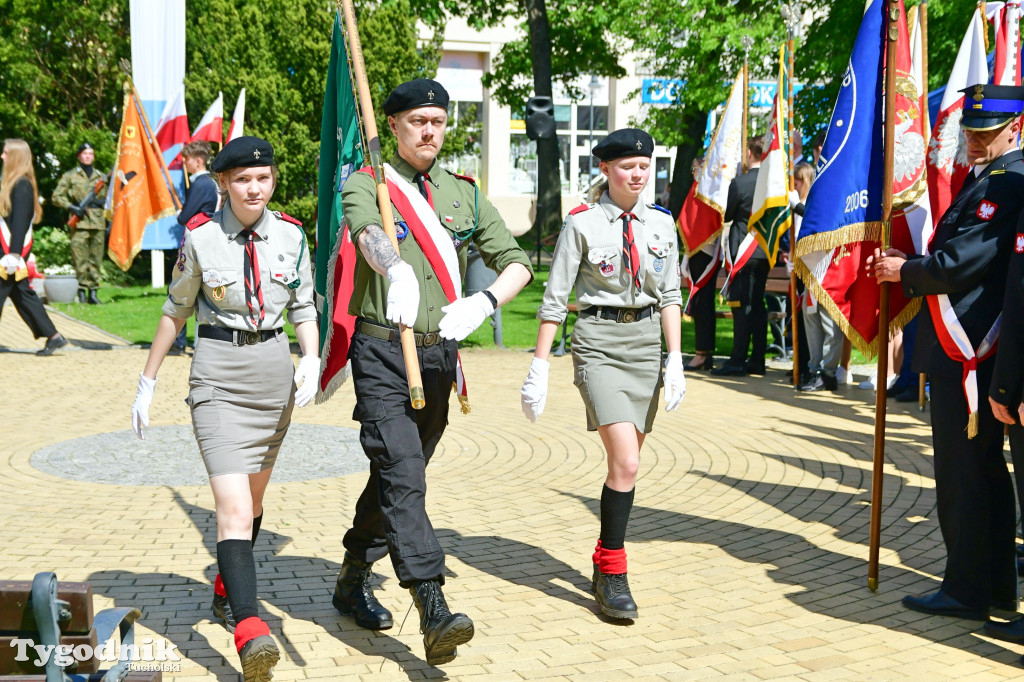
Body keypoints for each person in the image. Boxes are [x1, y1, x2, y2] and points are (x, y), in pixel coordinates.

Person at [333, 78, 533, 666]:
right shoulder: (368, 183)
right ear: (393, 125)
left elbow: (515, 260)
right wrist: (392, 270)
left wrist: (486, 302)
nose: (428, 131)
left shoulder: (463, 194)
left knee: (398, 475)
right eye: (417, 120)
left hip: (438, 357)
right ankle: (433, 603)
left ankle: (351, 573)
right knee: (404, 473)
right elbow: (369, 235)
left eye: (437, 122)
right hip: (381, 354)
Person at [129, 136, 319, 681]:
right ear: (224, 184)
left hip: (272, 379)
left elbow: (303, 304)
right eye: (241, 180)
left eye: (262, 178)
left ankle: (224, 583)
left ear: (273, 180)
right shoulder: (202, 239)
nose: (253, 188)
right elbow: (175, 311)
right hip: (217, 376)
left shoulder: (291, 236)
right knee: (232, 509)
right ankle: (250, 630)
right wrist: (148, 381)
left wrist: (308, 357)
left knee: (252, 505)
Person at [869, 84, 1024, 622]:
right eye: (971, 131)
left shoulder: (1007, 183)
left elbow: (967, 259)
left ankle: (967, 588)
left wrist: (906, 271)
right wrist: (911, 261)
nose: (976, 141)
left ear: (1016, 127)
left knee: (965, 474)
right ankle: (996, 584)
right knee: (981, 474)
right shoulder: (988, 178)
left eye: (988, 132)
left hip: (971, 350)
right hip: (967, 348)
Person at [520, 128, 685, 620]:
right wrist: (540, 365)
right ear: (607, 171)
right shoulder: (584, 225)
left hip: (645, 345)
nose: (637, 175)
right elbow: (554, 300)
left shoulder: (661, 225)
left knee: (623, 468)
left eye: (644, 166)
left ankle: (601, 558)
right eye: (627, 167)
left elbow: (671, 295)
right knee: (629, 463)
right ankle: (613, 569)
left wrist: (674, 358)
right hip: (599, 342)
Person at [0, 139, 68, 355]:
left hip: (11, 253)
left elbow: (19, 223)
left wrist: (14, 255)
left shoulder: (22, 186)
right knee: (21, 294)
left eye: (6, 153)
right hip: (10, 251)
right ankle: (53, 336)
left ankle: (54, 336)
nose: (2, 156)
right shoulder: (15, 183)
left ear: (16, 157)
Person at [712, 137, 768, 376]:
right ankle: (757, 359)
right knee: (758, 304)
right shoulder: (773, 184)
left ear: (748, 153)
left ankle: (738, 359)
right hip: (764, 249)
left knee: (741, 305)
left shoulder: (740, 182)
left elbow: (729, 214)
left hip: (743, 249)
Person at [792, 162, 840, 392]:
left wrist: (798, 207)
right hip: (808, 267)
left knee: (830, 323)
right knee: (810, 319)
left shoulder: (827, 198)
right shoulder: (804, 202)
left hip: (828, 267)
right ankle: (814, 368)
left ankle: (828, 371)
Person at [169, 140, 221, 356]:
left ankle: (179, 342)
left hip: (198, 242)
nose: (184, 163)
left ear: (198, 161)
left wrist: (180, 211)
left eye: (187, 159)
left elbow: (184, 217)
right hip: (210, 241)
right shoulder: (211, 182)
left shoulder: (200, 184)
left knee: (181, 291)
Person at [52, 142, 107, 304]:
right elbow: (56, 197)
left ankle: (93, 293)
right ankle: (82, 292)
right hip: (80, 223)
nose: (88, 156)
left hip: (97, 222)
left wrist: (101, 204)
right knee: (79, 258)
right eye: (85, 153)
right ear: (79, 156)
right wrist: (72, 207)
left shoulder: (102, 177)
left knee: (96, 259)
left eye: (91, 153)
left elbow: (112, 199)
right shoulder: (70, 176)